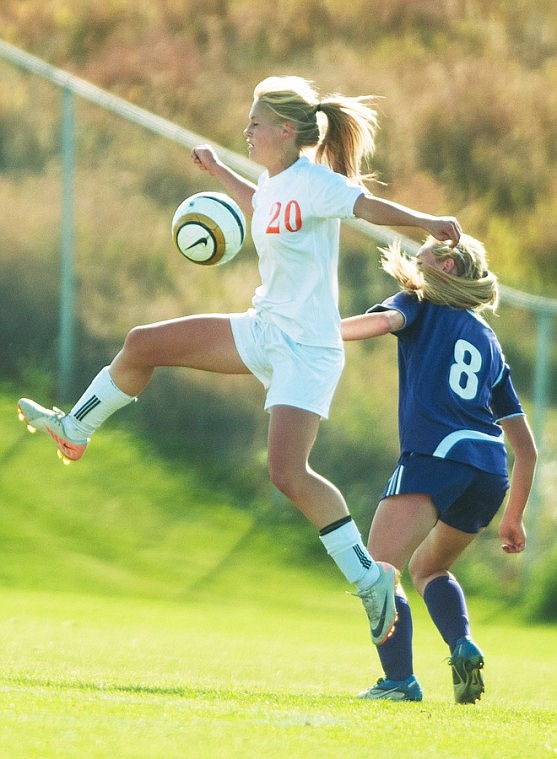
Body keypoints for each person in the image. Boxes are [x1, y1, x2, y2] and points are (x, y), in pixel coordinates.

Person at [17, 76, 462, 648]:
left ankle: (369, 578)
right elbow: (262, 206)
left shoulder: (316, 183)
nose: (246, 130)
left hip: (309, 348)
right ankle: (75, 428)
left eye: (255, 122)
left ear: (284, 130)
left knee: (287, 473)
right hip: (262, 329)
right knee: (143, 342)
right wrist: (221, 174)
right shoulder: (275, 184)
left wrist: (426, 223)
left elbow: (366, 206)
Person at [341, 233, 537, 703]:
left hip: (436, 457)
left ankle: (399, 682)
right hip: (489, 471)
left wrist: (311, 331)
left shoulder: (418, 302)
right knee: (429, 568)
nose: (415, 254)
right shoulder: (488, 340)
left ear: (445, 267)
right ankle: (462, 643)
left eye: (425, 249)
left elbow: (384, 322)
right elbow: (526, 450)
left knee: (378, 573)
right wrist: (512, 517)